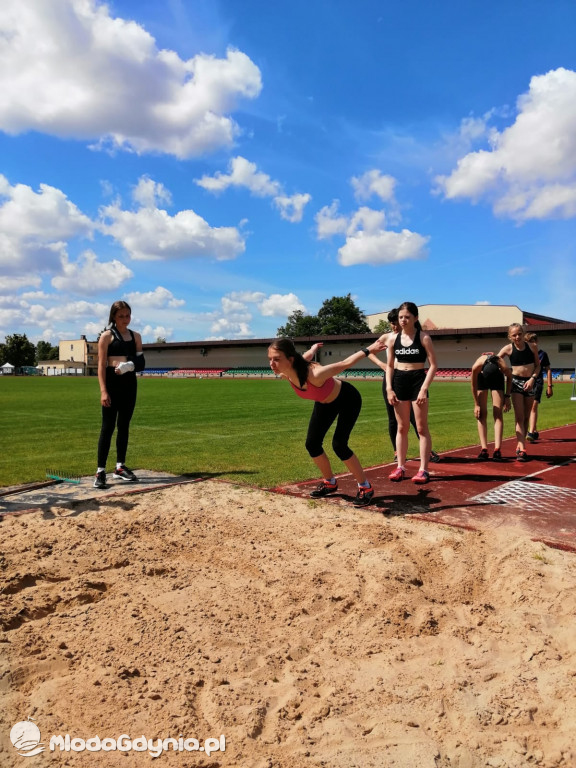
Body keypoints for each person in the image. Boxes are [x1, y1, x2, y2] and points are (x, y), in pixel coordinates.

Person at [267, 336, 386, 506]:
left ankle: (365, 487)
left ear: (290, 359)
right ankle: (330, 482)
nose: (272, 364)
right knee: (312, 444)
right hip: (324, 403)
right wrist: (314, 348)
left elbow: (345, 363)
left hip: (347, 399)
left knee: (339, 445)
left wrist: (369, 349)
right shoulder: (287, 372)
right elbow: (305, 356)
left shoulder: (315, 374)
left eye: (277, 359)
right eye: (270, 359)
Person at [369, 308, 440, 463]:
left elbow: (432, 363)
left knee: (416, 419)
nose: (395, 325)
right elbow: (369, 352)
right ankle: (397, 452)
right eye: (393, 322)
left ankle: (427, 451)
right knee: (394, 419)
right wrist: (382, 365)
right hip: (392, 378)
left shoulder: (414, 336)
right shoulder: (388, 337)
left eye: (397, 321)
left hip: (411, 377)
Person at [385, 302, 438, 484]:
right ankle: (400, 466)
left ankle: (423, 470)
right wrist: (389, 388)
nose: (403, 320)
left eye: (407, 317)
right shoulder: (393, 339)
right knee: (402, 427)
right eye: (401, 317)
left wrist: (424, 388)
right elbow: (390, 366)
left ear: (415, 318)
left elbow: (433, 365)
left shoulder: (424, 338)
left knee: (421, 428)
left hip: (417, 381)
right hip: (399, 381)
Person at [94, 301, 145, 488]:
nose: (125, 319)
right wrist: (103, 390)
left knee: (124, 426)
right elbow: (101, 365)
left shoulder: (136, 336)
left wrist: (129, 365)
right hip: (112, 383)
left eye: (128, 315)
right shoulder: (106, 336)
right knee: (107, 427)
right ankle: (100, 471)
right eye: (121, 316)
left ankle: (120, 467)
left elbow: (142, 363)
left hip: (129, 384)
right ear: (114, 317)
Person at [497, 323, 540, 462]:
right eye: (514, 335)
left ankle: (520, 444)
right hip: (515, 384)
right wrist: (502, 368)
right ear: (510, 336)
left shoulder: (532, 347)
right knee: (519, 417)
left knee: (526, 417)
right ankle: (522, 449)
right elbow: (496, 360)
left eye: (519, 334)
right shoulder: (508, 349)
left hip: (530, 383)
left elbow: (538, 366)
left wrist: (533, 379)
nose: (517, 337)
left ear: (523, 333)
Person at [470, 353, 512, 461]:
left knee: (497, 414)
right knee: (481, 414)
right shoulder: (476, 367)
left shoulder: (502, 365)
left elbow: (510, 377)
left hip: (497, 380)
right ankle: (484, 449)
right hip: (482, 378)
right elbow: (473, 386)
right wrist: (476, 404)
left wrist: (507, 396)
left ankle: (497, 449)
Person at [524, 332, 553, 442]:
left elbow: (548, 370)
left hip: (538, 382)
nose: (531, 344)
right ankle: (534, 430)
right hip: (526, 382)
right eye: (528, 342)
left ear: (537, 342)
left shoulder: (542, 354)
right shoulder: (525, 354)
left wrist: (549, 386)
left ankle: (531, 432)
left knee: (533, 406)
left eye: (532, 342)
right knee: (527, 408)